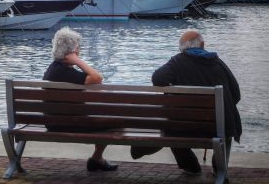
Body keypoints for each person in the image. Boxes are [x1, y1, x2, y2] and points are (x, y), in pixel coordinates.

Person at [130, 30, 242, 174]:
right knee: (228, 124)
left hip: (185, 127)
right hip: (220, 128)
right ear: (202, 45)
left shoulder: (177, 62)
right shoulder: (218, 63)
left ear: (182, 48)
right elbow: (236, 94)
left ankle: (190, 165)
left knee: (172, 124)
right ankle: (219, 167)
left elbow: (157, 78)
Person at [43, 26, 117, 172]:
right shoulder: (66, 73)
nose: (79, 51)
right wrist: (78, 61)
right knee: (116, 120)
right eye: (78, 48)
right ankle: (97, 158)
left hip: (52, 123)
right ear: (71, 52)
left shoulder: (53, 69)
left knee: (103, 117)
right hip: (69, 123)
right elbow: (97, 78)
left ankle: (97, 158)